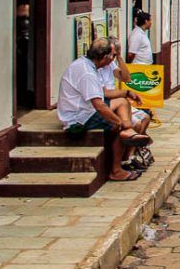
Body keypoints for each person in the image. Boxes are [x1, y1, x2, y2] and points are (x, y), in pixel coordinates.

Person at [58, 38, 151, 181]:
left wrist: (125, 94)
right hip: (80, 117)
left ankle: (128, 130)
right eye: (112, 56)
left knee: (122, 102)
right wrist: (118, 123)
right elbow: (99, 105)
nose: (112, 59)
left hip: (85, 109)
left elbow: (124, 80)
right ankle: (116, 170)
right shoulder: (87, 73)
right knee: (120, 128)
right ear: (105, 57)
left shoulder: (87, 65)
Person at [99, 38, 153, 170]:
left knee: (146, 117)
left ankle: (131, 155)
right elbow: (103, 93)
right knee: (135, 124)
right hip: (110, 103)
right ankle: (124, 160)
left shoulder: (111, 64)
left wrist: (120, 58)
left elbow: (127, 78)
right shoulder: (97, 68)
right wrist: (125, 93)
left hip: (119, 101)